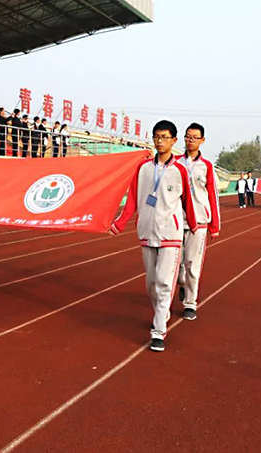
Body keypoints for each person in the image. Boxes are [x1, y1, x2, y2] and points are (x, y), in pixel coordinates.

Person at [108, 120, 198, 353]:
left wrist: (194, 225)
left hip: (171, 233)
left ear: (174, 141)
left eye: (165, 137)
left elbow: (187, 200)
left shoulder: (179, 170)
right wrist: (120, 223)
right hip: (147, 231)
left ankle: (158, 331)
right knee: (151, 284)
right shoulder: (143, 168)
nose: (160, 141)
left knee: (164, 282)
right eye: (156, 136)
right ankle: (163, 310)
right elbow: (133, 199)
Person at [176, 123, 220, 321]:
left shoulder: (208, 167)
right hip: (175, 220)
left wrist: (215, 226)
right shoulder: (175, 162)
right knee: (176, 267)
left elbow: (212, 195)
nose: (190, 140)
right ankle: (182, 282)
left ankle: (190, 303)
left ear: (202, 140)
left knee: (193, 264)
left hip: (200, 221)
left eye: (195, 137)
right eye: (187, 136)